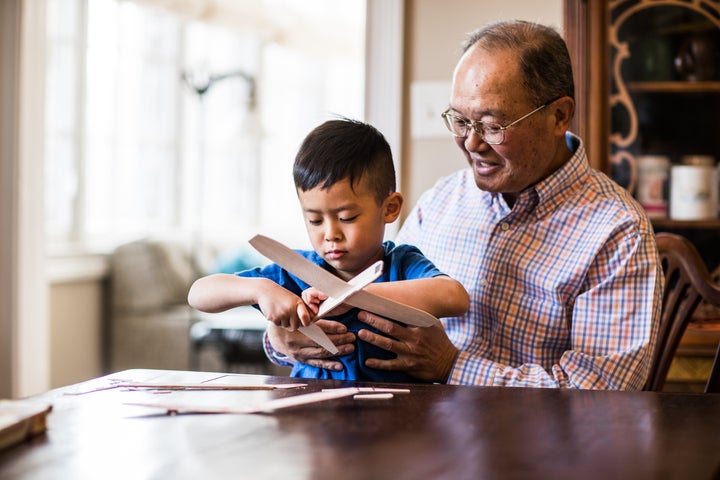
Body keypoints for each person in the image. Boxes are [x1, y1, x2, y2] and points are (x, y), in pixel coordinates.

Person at [263, 20, 663, 390]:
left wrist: (452, 366)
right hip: (408, 434)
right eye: (460, 121)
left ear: (559, 116)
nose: (471, 143)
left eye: (493, 126)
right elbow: (372, 303)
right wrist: (286, 340)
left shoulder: (617, 230)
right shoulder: (442, 200)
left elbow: (603, 393)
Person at [188, 118, 469, 382]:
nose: (330, 234)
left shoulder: (401, 263)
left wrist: (354, 296)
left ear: (390, 208)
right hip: (311, 418)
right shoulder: (297, 271)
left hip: (396, 418)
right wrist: (260, 290)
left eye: (347, 218)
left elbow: (454, 297)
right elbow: (198, 293)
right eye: (315, 220)